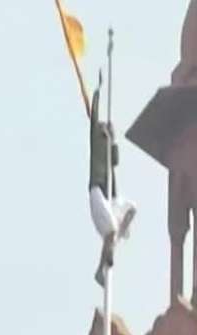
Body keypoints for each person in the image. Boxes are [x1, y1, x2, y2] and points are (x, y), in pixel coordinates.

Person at [88, 80, 136, 286]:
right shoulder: (96, 141)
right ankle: (101, 268)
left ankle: (115, 240)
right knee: (110, 231)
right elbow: (94, 117)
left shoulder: (108, 150)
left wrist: (113, 139)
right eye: (103, 126)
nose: (105, 126)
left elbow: (115, 160)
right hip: (97, 191)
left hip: (111, 198)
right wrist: (97, 92)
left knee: (132, 208)